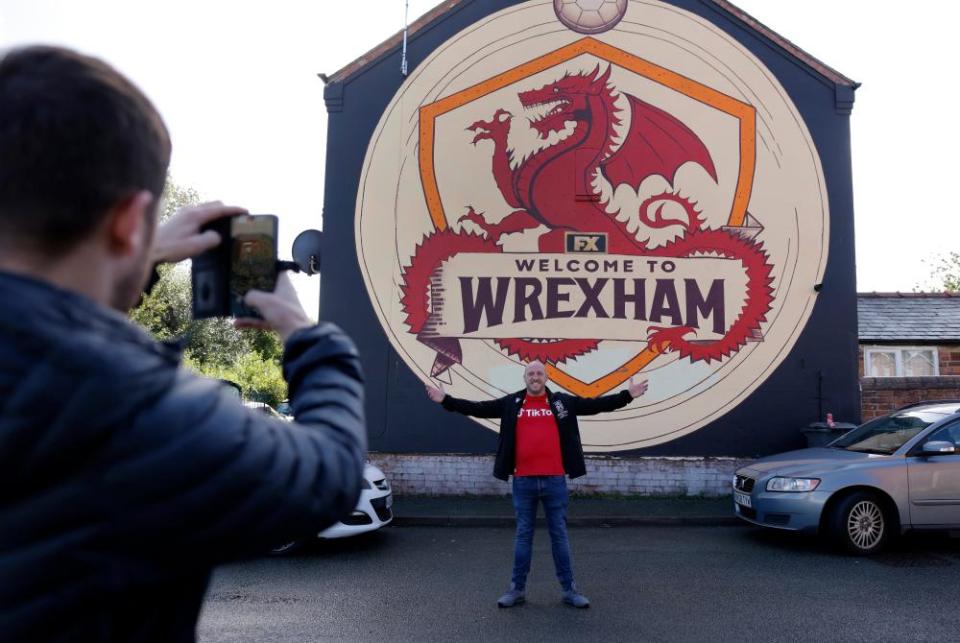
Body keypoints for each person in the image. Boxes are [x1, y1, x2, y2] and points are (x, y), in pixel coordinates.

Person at [0, 45, 367, 641]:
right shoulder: (138, 410)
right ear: (129, 219)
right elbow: (327, 475)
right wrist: (307, 337)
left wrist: (130, 257)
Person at [426, 361, 648, 609]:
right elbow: (478, 408)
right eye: (530, 373)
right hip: (523, 482)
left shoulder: (561, 403)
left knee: (559, 537)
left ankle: (569, 590)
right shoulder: (512, 404)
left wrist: (627, 396)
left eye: (539, 373)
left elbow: (595, 405)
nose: (535, 377)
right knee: (523, 537)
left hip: (555, 481)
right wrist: (446, 399)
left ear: (546, 377)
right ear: (524, 378)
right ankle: (516, 590)